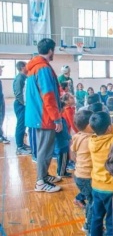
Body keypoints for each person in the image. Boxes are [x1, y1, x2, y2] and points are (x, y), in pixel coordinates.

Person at [26, 38, 63, 193]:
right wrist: (57, 118)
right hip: (45, 116)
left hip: (38, 115)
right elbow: (48, 95)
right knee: (44, 150)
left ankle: (45, 175)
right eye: (54, 50)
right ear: (50, 50)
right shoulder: (43, 68)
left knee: (45, 149)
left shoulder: (34, 67)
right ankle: (40, 181)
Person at [89, 112, 113, 236]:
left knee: (96, 217)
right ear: (109, 127)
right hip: (112, 189)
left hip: (96, 186)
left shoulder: (92, 140)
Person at [71, 110, 93, 233]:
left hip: (79, 175)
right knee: (93, 202)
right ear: (89, 125)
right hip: (87, 177)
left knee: (91, 199)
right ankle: (88, 226)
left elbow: (73, 152)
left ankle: (89, 223)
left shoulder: (77, 136)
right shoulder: (91, 139)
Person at [13, 61, 30, 152]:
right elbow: (18, 94)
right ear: (23, 67)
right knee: (20, 125)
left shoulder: (24, 77)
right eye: (27, 66)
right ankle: (19, 147)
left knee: (23, 125)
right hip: (20, 105)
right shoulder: (20, 78)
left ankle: (22, 144)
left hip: (23, 105)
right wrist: (25, 104)